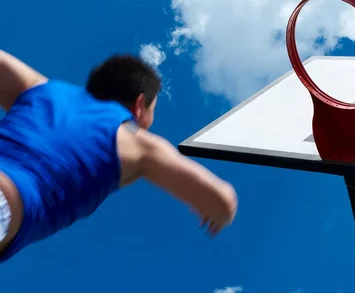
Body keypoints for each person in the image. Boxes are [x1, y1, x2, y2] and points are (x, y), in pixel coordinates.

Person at [0, 49, 238, 262]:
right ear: (139, 105)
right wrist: (213, 210)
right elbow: (223, 202)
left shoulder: (40, 88)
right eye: (152, 112)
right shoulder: (139, 144)